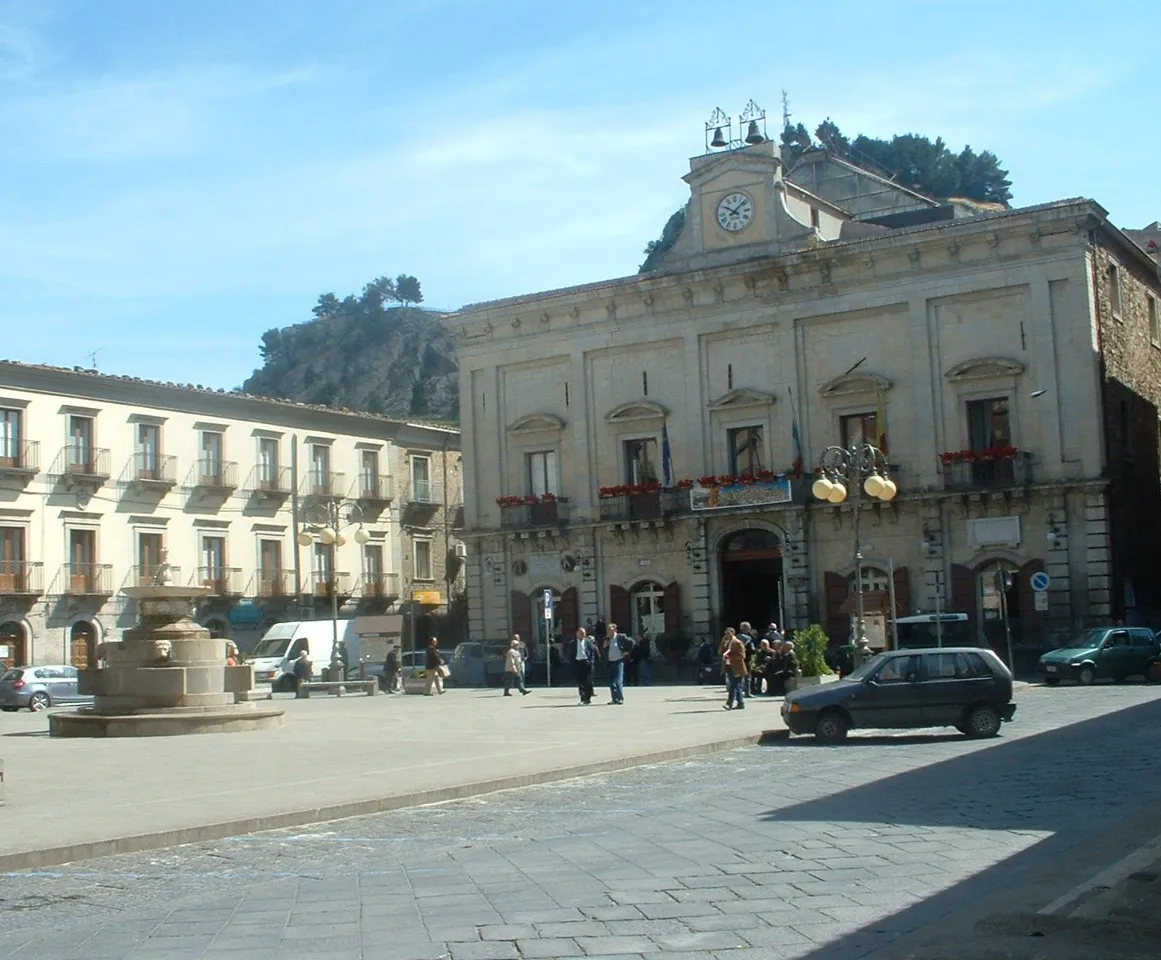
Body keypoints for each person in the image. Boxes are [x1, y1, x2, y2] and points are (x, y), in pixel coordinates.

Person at [603, 622, 631, 705]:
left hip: (619, 661)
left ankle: (620, 698)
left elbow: (632, 643)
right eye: (608, 630)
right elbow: (604, 651)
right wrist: (604, 646)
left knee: (618, 680)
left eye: (610, 630)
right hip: (610, 662)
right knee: (612, 681)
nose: (609, 632)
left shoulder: (621, 637)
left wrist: (626, 652)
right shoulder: (606, 639)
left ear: (615, 629)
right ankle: (614, 698)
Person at [723, 631, 749, 710]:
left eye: (728, 634)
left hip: (738, 668)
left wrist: (730, 657)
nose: (726, 636)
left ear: (732, 633)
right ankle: (741, 703)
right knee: (736, 686)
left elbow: (742, 656)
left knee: (733, 685)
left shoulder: (737, 642)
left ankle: (729, 703)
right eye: (725, 634)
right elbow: (720, 651)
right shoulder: (727, 643)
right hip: (729, 667)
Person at [571, 627, 597, 705]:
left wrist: (591, 662)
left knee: (588, 682)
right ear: (577, 634)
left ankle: (588, 698)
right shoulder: (573, 643)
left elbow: (592, 653)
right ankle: (583, 698)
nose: (582, 635)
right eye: (580, 633)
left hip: (586, 663)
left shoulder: (588, 642)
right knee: (580, 682)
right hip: (578, 663)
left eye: (583, 633)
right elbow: (571, 654)